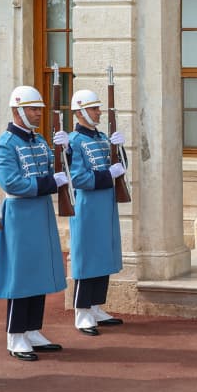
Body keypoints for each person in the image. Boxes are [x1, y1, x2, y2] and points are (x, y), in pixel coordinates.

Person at [0, 85, 69, 361]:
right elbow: (11, 182)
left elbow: (54, 168)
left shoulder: (39, 141)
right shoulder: (6, 144)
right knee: (20, 274)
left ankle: (33, 329)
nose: (38, 114)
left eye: (39, 109)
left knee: (38, 271)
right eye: (33, 109)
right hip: (20, 213)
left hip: (40, 210)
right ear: (17, 111)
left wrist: (67, 151)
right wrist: (50, 183)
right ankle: (16, 335)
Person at [67, 89, 126, 336]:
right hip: (87, 205)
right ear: (80, 112)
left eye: (98, 108)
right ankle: (82, 311)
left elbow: (120, 168)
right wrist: (106, 175)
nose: (99, 112)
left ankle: (95, 306)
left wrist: (120, 150)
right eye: (94, 108)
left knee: (103, 255)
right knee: (87, 257)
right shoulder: (73, 141)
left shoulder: (102, 138)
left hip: (105, 204)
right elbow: (78, 178)